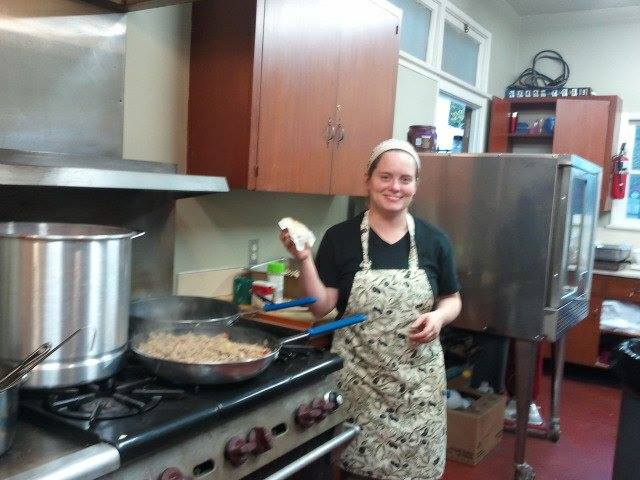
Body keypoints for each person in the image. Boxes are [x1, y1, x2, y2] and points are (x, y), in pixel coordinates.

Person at [280, 139, 462, 480]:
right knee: (357, 472)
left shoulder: (435, 240)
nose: (395, 187)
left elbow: (452, 299)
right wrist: (303, 260)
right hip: (360, 386)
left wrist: (439, 316)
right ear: (368, 179)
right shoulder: (340, 238)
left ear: (416, 185)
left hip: (418, 388)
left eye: (405, 179)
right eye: (385, 177)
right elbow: (321, 307)